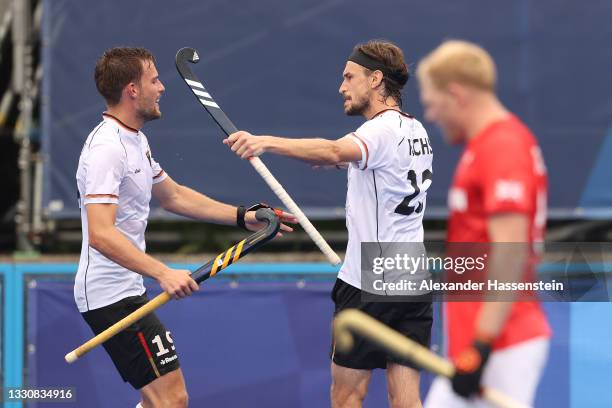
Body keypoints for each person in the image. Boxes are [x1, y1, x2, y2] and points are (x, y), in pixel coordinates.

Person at [75, 47, 294, 408]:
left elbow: (174, 196)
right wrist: (163, 273)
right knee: (171, 399)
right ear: (132, 89)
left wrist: (245, 217)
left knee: (164, 400)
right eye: (154, 80)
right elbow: (100, 233)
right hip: (109, 296)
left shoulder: (134, 140)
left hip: (125, 289)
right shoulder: (107, 148)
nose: (162, 87)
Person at [224, 40, 434, 408]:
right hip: (412, 280)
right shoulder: (415, 131)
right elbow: (369, 165)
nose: (341, 87)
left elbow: (337, 150)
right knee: (407, 401)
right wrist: (339, 161)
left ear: (376, 80)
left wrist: (265, 143)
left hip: (370, 284)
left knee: (347, 397)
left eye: (349, 77)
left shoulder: (379, 130)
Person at [416, 40, 551, 407]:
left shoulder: (501, 146)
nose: (431, 115)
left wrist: (481, 346)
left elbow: (510, 252)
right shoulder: (489, 145)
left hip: (501, 346)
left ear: (457, 94)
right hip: (486, 345)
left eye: (433, 102)